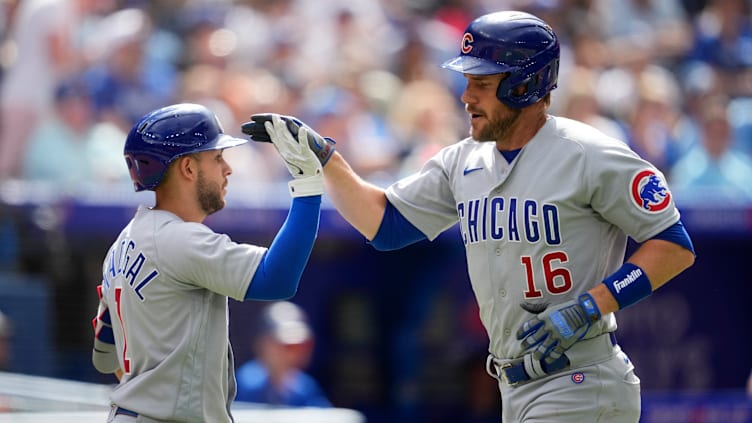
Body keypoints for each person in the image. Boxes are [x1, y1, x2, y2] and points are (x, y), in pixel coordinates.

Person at [244, 11, 696, 422]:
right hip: (514, 386)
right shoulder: (462, 160)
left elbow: (673, 244)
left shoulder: (591, 154)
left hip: (579, 380)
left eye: (482, 83)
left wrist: (592, 304)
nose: (466, 96)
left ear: (526, 84)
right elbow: (384, 226)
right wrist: (327, 159)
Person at [90, 104, 324, 422]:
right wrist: (308, 185)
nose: (227, 169)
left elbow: (104, 357)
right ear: (188, 168)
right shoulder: (180, 240)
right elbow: (277, 279)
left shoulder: (121, 244)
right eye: (217, 158)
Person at [235, 301, 331, 407]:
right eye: (288, 346)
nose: (295, 353)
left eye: (302, 345)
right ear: (263, 344)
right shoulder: (244, 384)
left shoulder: (305, 387)